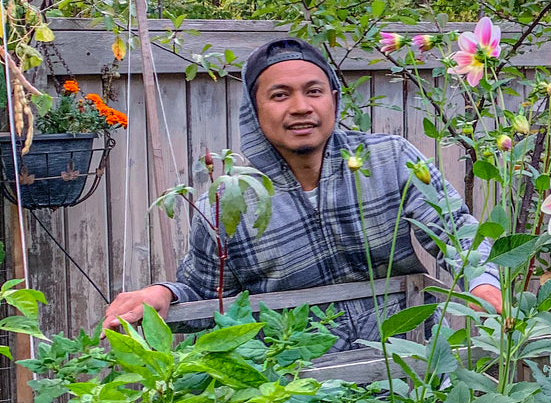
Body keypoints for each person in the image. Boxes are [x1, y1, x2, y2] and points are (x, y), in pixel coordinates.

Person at [103, 37, 502, 341]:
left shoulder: (389, 160)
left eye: (313, 91)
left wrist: (484, 282)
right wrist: (161, 295)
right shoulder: (230, 198)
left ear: (333, 98)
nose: (300, 107)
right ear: (254, 111)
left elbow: (457, 231)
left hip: (412, 383)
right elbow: (207, 296)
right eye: (280, 95)